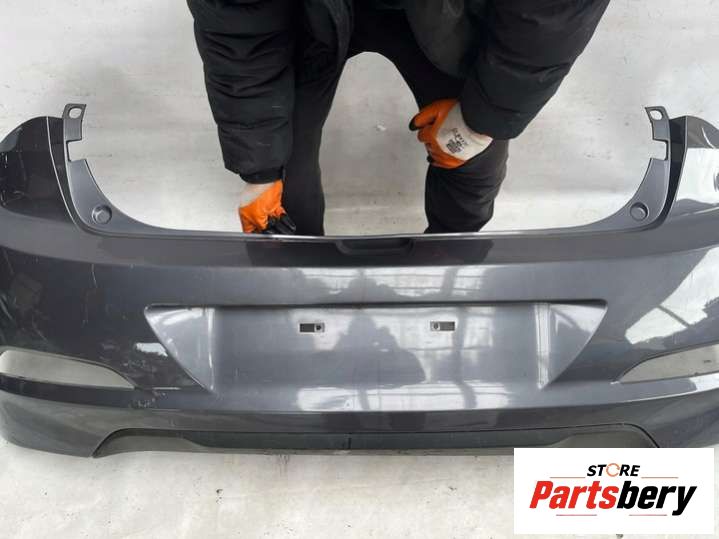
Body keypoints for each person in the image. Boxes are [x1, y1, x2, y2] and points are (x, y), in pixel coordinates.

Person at [188, 0, 609, 235]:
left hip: (452, 10)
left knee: (471, 158)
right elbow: (237, 28)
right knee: (282, 180)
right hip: (309, 11)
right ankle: (298, 276)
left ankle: (453, 258)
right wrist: (260, 168)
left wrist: (481, 121)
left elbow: (552, 15)